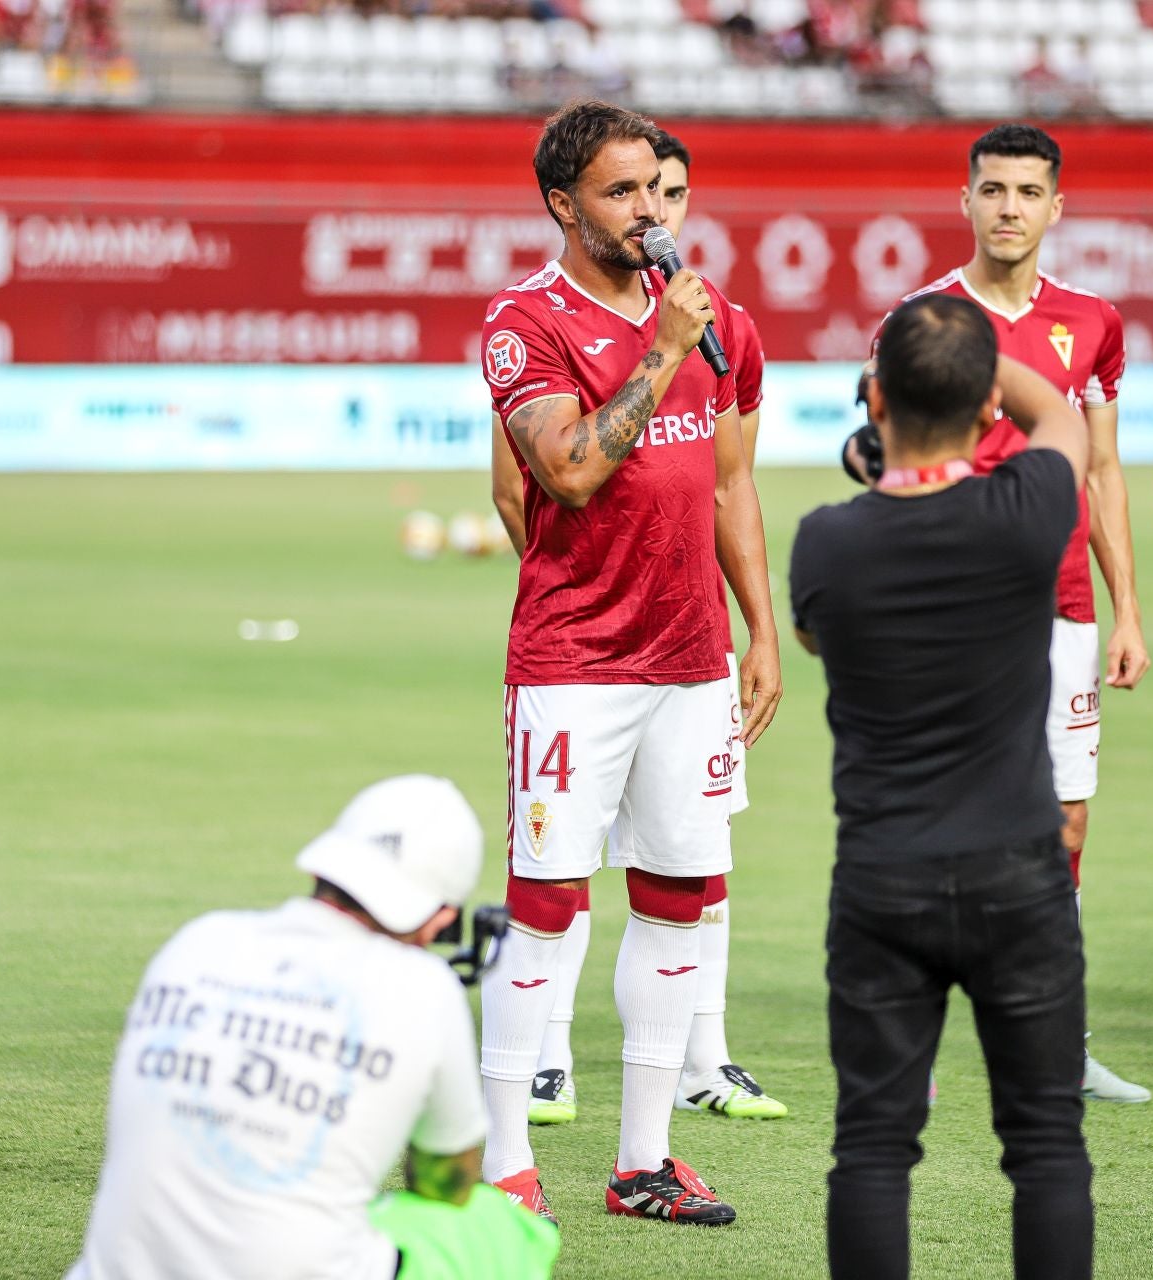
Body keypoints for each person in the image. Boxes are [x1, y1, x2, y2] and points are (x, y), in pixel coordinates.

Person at [476, 100, 781, 1226]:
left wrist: (759, 624)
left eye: (656, 187)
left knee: (682, 896)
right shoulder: (527, 323)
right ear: (564, 204)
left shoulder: (717, 322)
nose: (648, 210)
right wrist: (654, 357)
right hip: (576, 661)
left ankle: (644, 1159)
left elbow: (730, 482)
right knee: (548, 901)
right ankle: (505, 1160)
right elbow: (562, 470)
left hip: (693, 660)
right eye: (620, 191)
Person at [792, 293, 1094, 1280]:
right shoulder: (1028, 512)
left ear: (875, 400)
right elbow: (1065, 418)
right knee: (1046, 1144)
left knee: (874, 1145)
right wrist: (985, 362)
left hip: (883, 878)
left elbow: (813, 632)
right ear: (983, 411)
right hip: (1019, 871)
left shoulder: (827, 544)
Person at [850, 122, 1150, 1103]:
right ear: (966, 200)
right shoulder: (921, 318)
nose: (1010, 207)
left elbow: (1102, 470)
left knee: (1062, 823)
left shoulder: (1093, 322)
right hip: (953, 615)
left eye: (1029, 191)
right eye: (994, 190)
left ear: (1056, 207)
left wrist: (1127, 610)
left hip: (1059, 611)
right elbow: (874, 457)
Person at [68, 775, 557, 1280]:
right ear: (440, 919)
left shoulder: (198, 939)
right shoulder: (424, 986)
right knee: (502, 1232)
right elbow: (446, 1188)